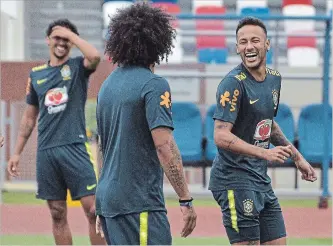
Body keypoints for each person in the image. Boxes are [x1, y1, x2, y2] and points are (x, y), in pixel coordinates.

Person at [209, 17, 317, 245]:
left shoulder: (274, 79)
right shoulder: (232, 84)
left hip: (259, 179)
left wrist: (297, 158)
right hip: (234, 180)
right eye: (243, 41)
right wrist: (265, 153)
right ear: (237, 47)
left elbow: (268, 123)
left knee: (279, 242)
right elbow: (220, 135)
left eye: (255, 40)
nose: (249, 46)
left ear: (267, 44)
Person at [95, 3, 197, 245]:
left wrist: (101, 202)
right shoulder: (154, 85)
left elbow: (102, 149)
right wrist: (185, 199)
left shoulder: (106, 86)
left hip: (109, 201)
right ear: (158, 42)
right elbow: (164, 146)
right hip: (138, 202)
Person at [7, 19, 105, 245]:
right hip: (47, 152)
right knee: (57, 213)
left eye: (66, 39)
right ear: (47, 41)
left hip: (76, 148)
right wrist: (17, 152)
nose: (61, 43)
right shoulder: (36, 75)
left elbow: (95, 57)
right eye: (57, 38)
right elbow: (29, 117)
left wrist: (72, 35)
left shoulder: (79, 67)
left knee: (94, 210)